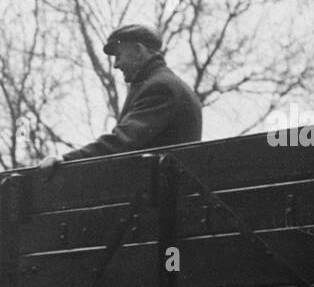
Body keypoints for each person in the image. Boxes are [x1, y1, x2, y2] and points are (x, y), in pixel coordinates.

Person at [36, 23, 202, 174]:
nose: (116, 65)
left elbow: (123, 141)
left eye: (118, 56)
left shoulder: (160, 87)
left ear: (138, 51)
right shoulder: (157, 83)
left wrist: (67, 160)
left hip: (162, 194)